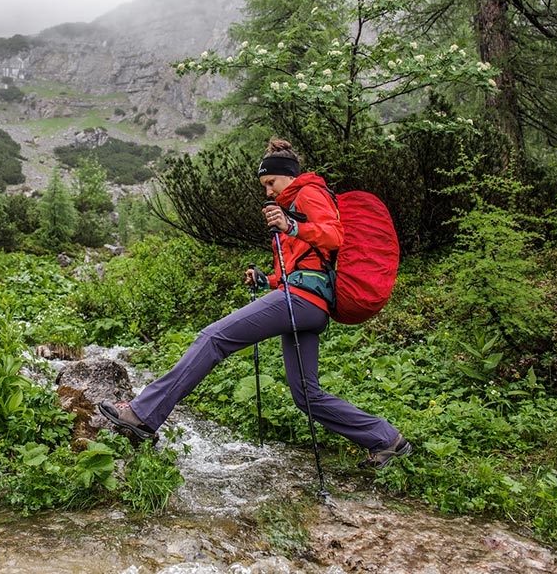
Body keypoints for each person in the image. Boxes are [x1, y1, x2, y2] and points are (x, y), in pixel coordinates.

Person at [99, 138, 411, 470]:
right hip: (308, 303)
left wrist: (291, 225)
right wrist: (269, 281)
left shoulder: (309, 193)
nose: (267, 191)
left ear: (288, 175)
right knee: (307, 395)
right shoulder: (294, 202)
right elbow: (305, 265)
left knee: (214, 338)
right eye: (264, 185)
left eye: (270, 183)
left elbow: (334, 236)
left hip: (303, 301)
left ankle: (142, 414)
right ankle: (386, 439)